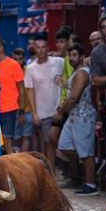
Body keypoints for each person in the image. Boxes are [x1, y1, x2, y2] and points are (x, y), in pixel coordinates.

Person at [56, 44, 98, 196]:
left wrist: (60, 112)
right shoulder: (76, 72)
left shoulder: (82, 73)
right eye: (70, 55)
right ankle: (80, 176)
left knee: (86, 153)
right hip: (74, 116)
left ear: (81, 57)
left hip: (83, 117)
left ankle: (91, 184)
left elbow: (74, 97)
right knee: (64, 146)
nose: (71, 58)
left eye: (74, 55)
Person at [25, 37, 64, 173]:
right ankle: (51, 174)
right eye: (38, 47)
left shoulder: (59, 62)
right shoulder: (30, 68)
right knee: (48, 144)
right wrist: (34, 114)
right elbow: (30, 91)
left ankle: (64, 172)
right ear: (34, 49)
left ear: (47, 48)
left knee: (60, 144)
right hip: (43, 113)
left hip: (61, 109)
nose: (41, 50)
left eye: (43, 47)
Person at [0, 38, 25, 151]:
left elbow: (21, 89)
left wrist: (21, 111)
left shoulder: (13, 64)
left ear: (1, 47)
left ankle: (11, 162)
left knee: (7, 140)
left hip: (9, 109)